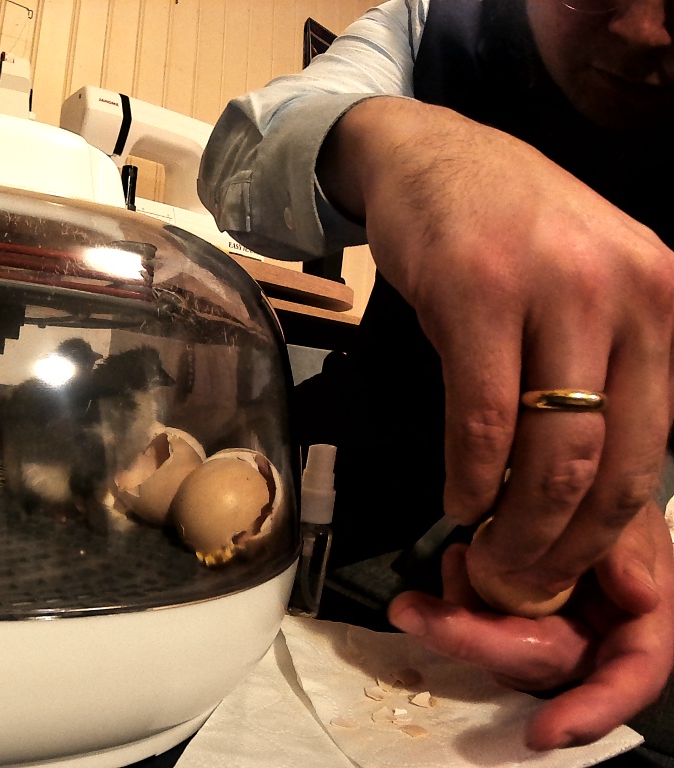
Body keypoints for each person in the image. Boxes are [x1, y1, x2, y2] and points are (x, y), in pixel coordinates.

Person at [198, 0, 674, 755]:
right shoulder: (438, 23)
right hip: (347, 489)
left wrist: (639, 498)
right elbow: (240, 159)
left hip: (591, 559)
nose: (641, 30)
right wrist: (397, 145)